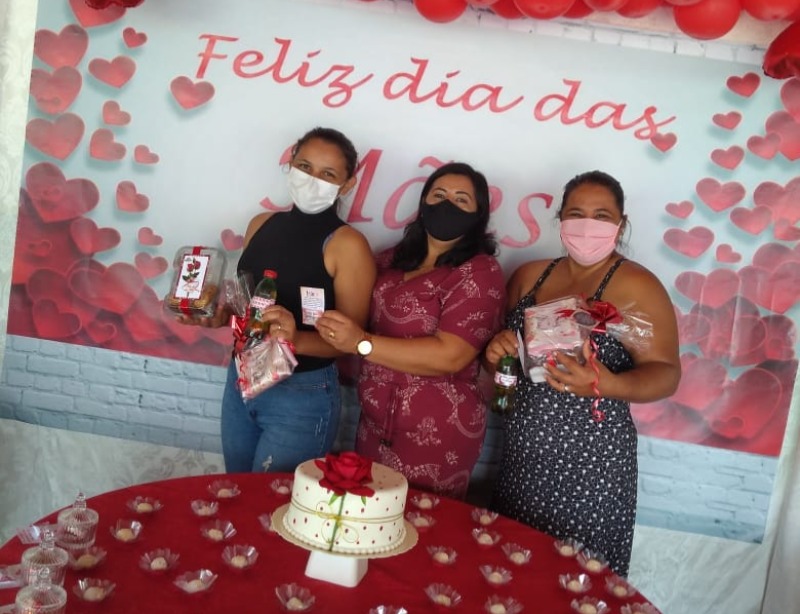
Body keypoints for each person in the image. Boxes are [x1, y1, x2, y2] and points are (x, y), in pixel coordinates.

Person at [484, 170, 681, 577]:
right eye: (576, 213)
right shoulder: (529, 276)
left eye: (602, 215)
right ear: (560, 219)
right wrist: (496, 354)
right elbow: (508, 363)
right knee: (512, 571)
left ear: (621, 223)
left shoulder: (637, 285)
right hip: (524, 453)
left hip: (594, 465)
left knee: (577, 583)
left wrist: (608, 384)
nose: (588, 225)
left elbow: (666, 374)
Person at [180, 127, 376, 473]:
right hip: (242, 376)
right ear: (291, 165)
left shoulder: (348, 245)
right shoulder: (260, 224)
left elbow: (349, 341)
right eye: (305, 167)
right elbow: (251, 310)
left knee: (275, 499)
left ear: (346, 186)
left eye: (328, 174)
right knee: (237, 489)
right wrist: (220, 316)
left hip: (301, 392)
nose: (312, 180)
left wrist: (295, 339)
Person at [316, 162, 506, 500]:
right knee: (367, 514)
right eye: (439, 195)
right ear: (423, 202)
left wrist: (361, 343)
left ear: (479, 215)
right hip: (374, 421)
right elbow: (348, 299)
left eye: (461, 199)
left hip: (437, 432)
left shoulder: (479, 271)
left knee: (422, 522)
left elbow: (450, 355)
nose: (447, 204)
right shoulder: (391, 260)